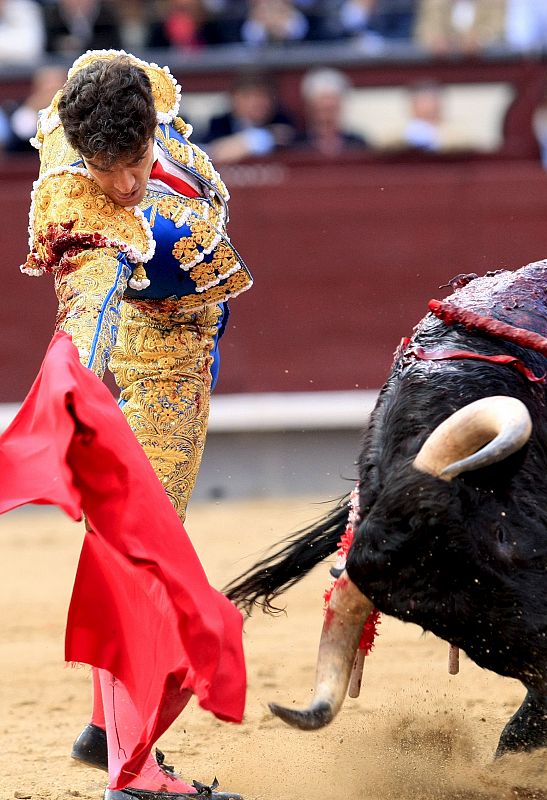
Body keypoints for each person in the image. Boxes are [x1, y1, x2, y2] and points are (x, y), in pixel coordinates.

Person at [19, 49, 252, 800]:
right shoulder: (88, 216)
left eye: (137, 160)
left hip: (188, 346)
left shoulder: (115, 90)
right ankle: (133, 772)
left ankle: (103, 732)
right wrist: (77, 395)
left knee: (135, 546)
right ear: (84, 157)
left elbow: (109, 69)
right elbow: (87, 312)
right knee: (143, 553)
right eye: (107, 169)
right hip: (161, 364)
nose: (125, 185)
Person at [201, 71, 296, 162]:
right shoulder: (219, 124)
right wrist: (258, 139)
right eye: (248, 96)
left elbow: (288, 140)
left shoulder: (282, 120)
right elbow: (210, 154)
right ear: (234, 98)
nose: (256, 103)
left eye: (262, 96)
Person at [293, 67, 368, 156]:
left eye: (332, 106)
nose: (327, 106)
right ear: (309, 107)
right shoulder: (297, 145)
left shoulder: (357, 144)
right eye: (322, 105)